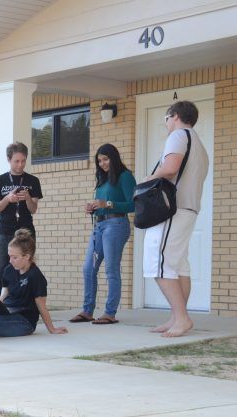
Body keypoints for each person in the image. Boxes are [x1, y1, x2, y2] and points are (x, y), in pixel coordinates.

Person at [142, 100, 209, 337]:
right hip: (188, 209)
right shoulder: (198, 143)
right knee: (178, 264)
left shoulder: (179, 135)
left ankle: (182, 318)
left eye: (166, 119)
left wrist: (147, 178)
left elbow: (170, 168)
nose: (166, 124)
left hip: (171, 209)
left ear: (175, 116)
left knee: (157, 262)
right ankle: (176, 316)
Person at [70, 144, 136, 325]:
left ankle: (110, 312)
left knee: (111, 269)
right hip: (99, 226)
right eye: (99, 161)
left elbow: (134, 205)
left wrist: (108, 204)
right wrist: (93, 208)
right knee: (88, 267)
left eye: (105, 159)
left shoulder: (125, 176)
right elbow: (103, 204)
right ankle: (87, 310)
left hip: (116, 225)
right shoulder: (102, 179)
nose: (102, 164)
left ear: (113, 158)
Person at [0, 142, 42, 296]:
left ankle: (25, 307)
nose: (20, 164)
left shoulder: (33, 181)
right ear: (9, 160)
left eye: (23, 160)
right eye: (16, 161)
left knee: (26, 271)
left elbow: (33, 209)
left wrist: (28, 198)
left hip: (26, 232)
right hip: (5, 231)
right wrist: (7, 199)